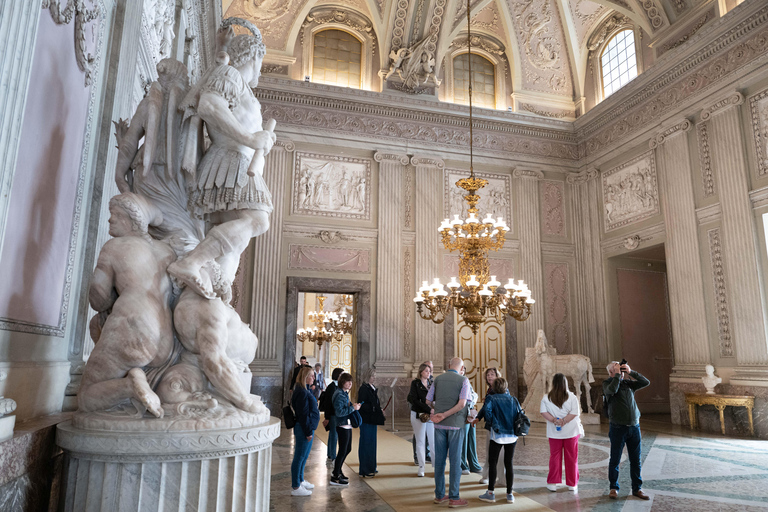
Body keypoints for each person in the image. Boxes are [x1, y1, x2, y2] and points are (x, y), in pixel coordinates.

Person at [427, 357, 472, 507]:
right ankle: (454, 497)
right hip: (456, 425)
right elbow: (462, 404)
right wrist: (446, 414)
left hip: (439, 425)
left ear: (448, 365)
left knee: (439, 461)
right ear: (462, 368)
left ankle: (439, 495)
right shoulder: (463, 380)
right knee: (455, 462)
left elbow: (428, 400)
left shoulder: (438, 380)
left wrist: (439, 411)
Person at [603, 361, 650, 500]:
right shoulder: (607, 384)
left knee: (636, 460)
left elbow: (645, 382)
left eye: (621, 369)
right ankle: (613, 488)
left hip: (634, 427)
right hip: (618, 428)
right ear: (611, 372)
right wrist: (617, 375)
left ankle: (637, 488)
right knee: (615, 460)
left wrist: (631, 372)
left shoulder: (628, 383)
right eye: (617, 369)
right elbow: (611, 390)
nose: (621, 371)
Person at [475, 377, 520, 504]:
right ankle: (510, 494)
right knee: (509, 463)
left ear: (494, 388)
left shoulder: (491, 398)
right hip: (512, 435)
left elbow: (487, 412)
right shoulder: (513, 399)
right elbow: (518, 415)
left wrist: (493, 424)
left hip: (498, 435)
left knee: (492, 462)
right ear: (506, 387)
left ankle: (490, 493)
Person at [540, 373, 583, 493]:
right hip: (571, 431)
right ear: (566, 383)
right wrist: (564, 421)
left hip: (554, 432)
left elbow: (543, 412)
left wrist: (554, 420)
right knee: (572, 457)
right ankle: (572, 484)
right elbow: (575, 413)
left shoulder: (546, 397)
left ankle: (552, 483)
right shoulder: (572, 397)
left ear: (553, 384)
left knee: (555, 457)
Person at [290, 367, 320, 496]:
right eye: (312, 376)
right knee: (299, 456)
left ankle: (301, 480)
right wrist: (308, 432)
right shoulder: (301, 391)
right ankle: (296, 486)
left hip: (308, 427)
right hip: (304, 428)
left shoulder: (304, 389)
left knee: (304, 456)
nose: (314, 378)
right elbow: (303, 415)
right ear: (305, 376)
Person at [331, 372, 361, 486]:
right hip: (342, 424)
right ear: (342, 382)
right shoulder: (339, 394)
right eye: (348, 381)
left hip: (346, 424)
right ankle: (335, 475)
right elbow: (339, 412)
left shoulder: (343, 393)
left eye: (351, 382)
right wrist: (352, 408)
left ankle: (338, 471)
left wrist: (353, 407)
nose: (350, 384)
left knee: (347, 449)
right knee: (343, 450)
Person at [408, 363, 435, 477]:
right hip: (418, 414)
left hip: (431, 415)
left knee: (433, 441)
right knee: (420, 441)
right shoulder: (416, 383)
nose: (428, 373)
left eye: (429, 371)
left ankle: (436, 466)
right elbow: (413, 399)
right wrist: (428, 408)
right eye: (426, 371)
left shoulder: (431, 383)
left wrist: (434, 406)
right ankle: (421, 467)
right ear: (421, 372)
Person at [357, 368, 386, 477]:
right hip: (366, 420)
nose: (374, 378)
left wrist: (379, 409)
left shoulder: (371, 388)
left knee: (372, 444)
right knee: (366, 444)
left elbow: (374, 403)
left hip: (372, 419)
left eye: (375, 376)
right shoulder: (364, 389)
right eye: (372, 376)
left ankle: (371, 467)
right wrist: (375, 409)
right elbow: (363, 405)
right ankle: (365, 469)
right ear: (367, 376)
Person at [479, 367, 504, 486]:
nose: (489, 376)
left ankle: (488, 477)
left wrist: (479, 417)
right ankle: (491, 477)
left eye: (492, 374)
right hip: (495, 426)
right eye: (488, 375)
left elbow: (487, 409)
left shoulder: (497, 391)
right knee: (494, 452)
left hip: (496, 426)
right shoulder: (490, 389)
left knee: (494, 453)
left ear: (497, 376)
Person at [460, 366, 482, 475]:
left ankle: (473, 463)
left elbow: (474, 395)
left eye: (464, 369)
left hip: (470, 412)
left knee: (471, 439)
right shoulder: (457, 381)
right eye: (461, 369)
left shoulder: (466, 380)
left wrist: (471, 400)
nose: (462, 371)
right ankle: (463, 464)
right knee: (463, 440)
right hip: (462, 413)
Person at [320, 367, 344, 463]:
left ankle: (330, 454)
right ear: (338, 376)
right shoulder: (332, 387)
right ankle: (333, 455)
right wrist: (327, 417)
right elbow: (328, 403)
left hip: (335, 414)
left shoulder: (337, 386)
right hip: (333, 414)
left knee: (333, 434)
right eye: (342, 375)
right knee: (334, 435)